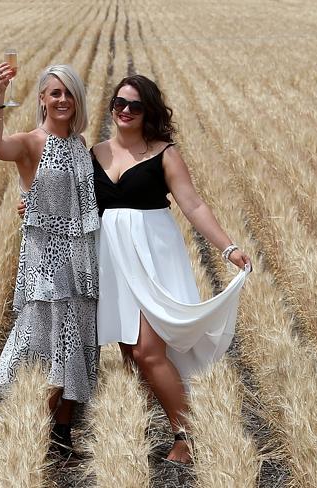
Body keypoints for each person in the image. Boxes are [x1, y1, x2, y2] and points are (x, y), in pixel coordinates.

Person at [92, 75, 251, 464]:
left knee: (148, 351)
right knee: (129, 348)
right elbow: (69, 197)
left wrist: (227, 248)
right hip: (111, 257)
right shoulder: (95, 151)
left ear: (149, 112)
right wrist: (34, 206)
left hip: (152, 256)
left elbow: (193, 205)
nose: (125, 111)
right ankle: (146, 423)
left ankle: (187, 436)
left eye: (135, 106)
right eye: (119, 103)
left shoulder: (164, 153)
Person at [0, 63, 100, 458]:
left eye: (69, 93)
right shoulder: (32, 142)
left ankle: (62, 435)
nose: (62, 99)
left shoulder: (80, 144)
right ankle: (28, 431)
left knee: (75, 342)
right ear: (42, 99)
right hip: (47, 264)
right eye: (55, 93)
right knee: (44, 345)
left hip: (81, 260)